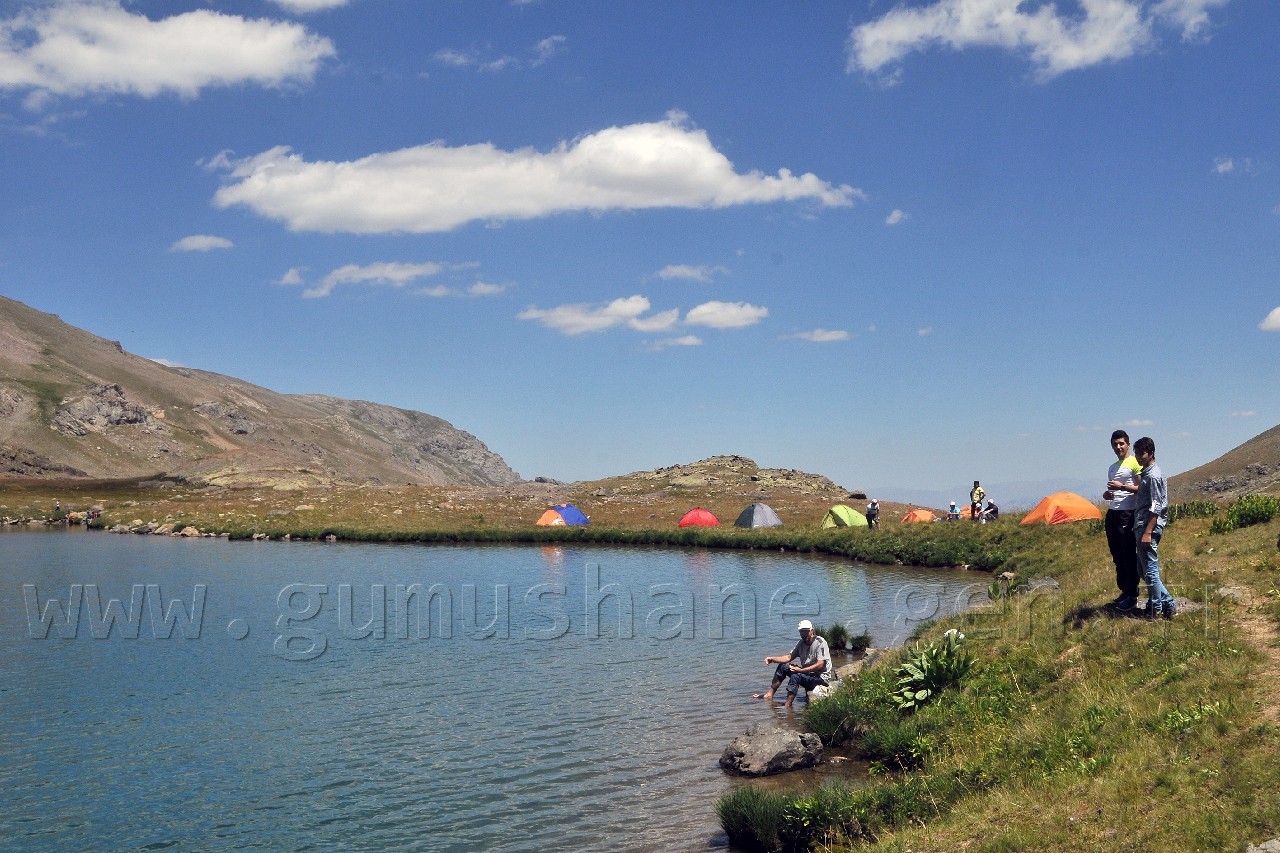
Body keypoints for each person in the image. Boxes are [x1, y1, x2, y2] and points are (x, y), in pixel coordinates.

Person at [1133, 436, 1175, 619]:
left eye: (1141, 453)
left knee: (1149, 569)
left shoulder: (1154, 475)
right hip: (1142, 525)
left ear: (1151, 453)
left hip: (1147, 526)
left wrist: (1148, 532)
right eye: (1136, 453)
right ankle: (1168, 603)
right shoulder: (1148, 473)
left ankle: (1154, 608)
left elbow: (1157, 506)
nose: (1138, 457)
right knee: (1143, 570)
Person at [1103, 429, 1143, 611]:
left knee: (1128, 554)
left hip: (1128, 512)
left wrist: (1123, 487)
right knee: (1117, 554)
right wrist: (1108, 494)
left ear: (1128, 444)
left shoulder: (1134, 462)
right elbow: (1114, 492)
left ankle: (1133, 594)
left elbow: (1142, 487)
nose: (1118, 447)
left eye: (1121, 443)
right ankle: (1124, 591)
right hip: (1113, 512)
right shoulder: (1112, 467)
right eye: (1114, 444)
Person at [753, 619, 832, 707]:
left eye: (806, 631)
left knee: (796, 676)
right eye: (801, 631)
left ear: (811, 631)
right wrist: (773, 659)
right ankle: (769, 695)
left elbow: (820, 664)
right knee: (783, 667)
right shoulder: (801, 643)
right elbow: (789, 657)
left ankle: (787, 705)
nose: (803, 634)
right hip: (806, 674)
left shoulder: (820, 642)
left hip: (820, 679)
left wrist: (801, 671)